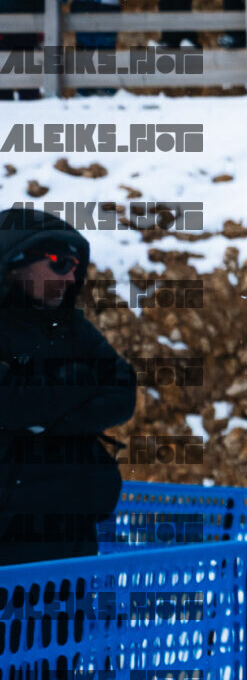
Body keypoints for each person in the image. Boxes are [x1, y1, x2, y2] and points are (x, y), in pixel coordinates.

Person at [0, 207, 135, 566]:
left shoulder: (74, 327)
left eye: (76, 266)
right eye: (60, 263)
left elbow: (123, 393)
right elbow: (11, 403)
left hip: (74, 538)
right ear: (15, 263)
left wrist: (41, 422)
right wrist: (82, 378)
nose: (72, 276)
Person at [45, 0, 117, 93]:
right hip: (84, 16)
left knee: (105, 51)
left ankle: (107, 87)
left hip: (105, 15)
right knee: (84, 50)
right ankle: (85, 88)